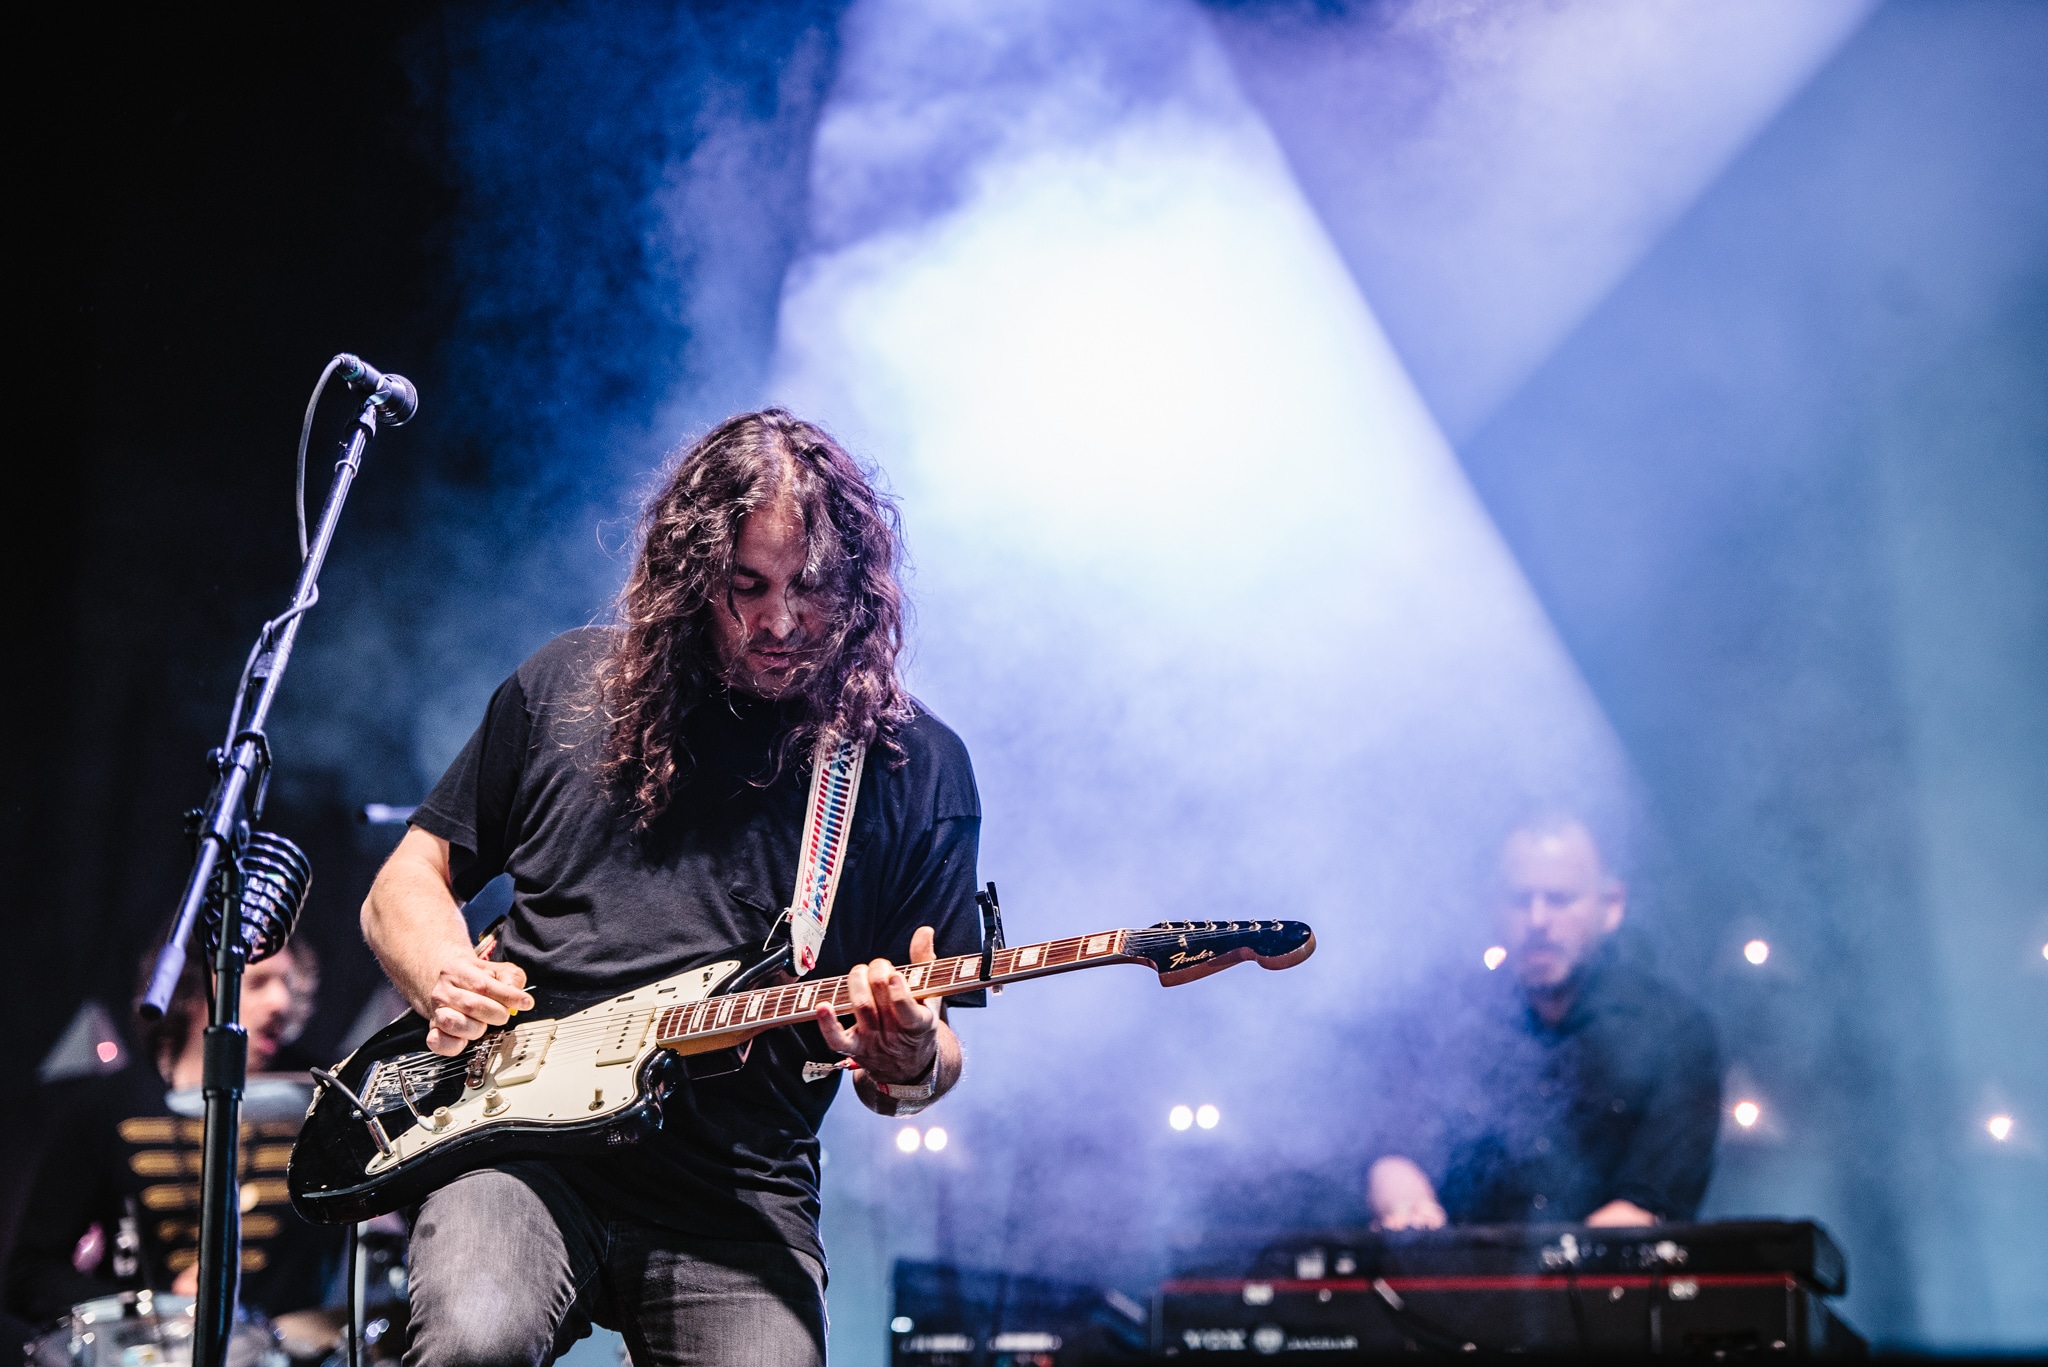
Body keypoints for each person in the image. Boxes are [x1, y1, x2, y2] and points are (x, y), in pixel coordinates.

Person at [363, 411, 984, 1367]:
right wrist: (444, 972)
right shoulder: (566, 686)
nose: (781, 621)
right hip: (520, 1149)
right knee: (475, 1342)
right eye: (748, 586)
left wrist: (906, 1058)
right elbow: (405, 879)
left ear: (858, 586)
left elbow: (927, 1062)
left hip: (740, 1190)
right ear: (692, 578)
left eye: (812, 587)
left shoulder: (913, 765)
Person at [1365, 812, 1721, 1230]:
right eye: (1520, 900)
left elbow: (1647, 1204)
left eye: (1560, 899)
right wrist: (1408, 1207)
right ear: (1493, 906)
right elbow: (1397, 1152)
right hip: (1464, 1270)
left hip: (1608, 1271)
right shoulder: (1450, 1023)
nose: (1537, 920)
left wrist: (1551, 1266)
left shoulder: (1675, 1032)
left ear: (1611, 906)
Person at [5, 943, 336, 1326]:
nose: (281, 1002)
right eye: (257, 983)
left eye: (288, 984)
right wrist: (152, 1310)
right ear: (192, 990)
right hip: (154, 1347)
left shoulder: (324, 1099)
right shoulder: (108, 1106)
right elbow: (31, 1275)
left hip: (292, 1345)